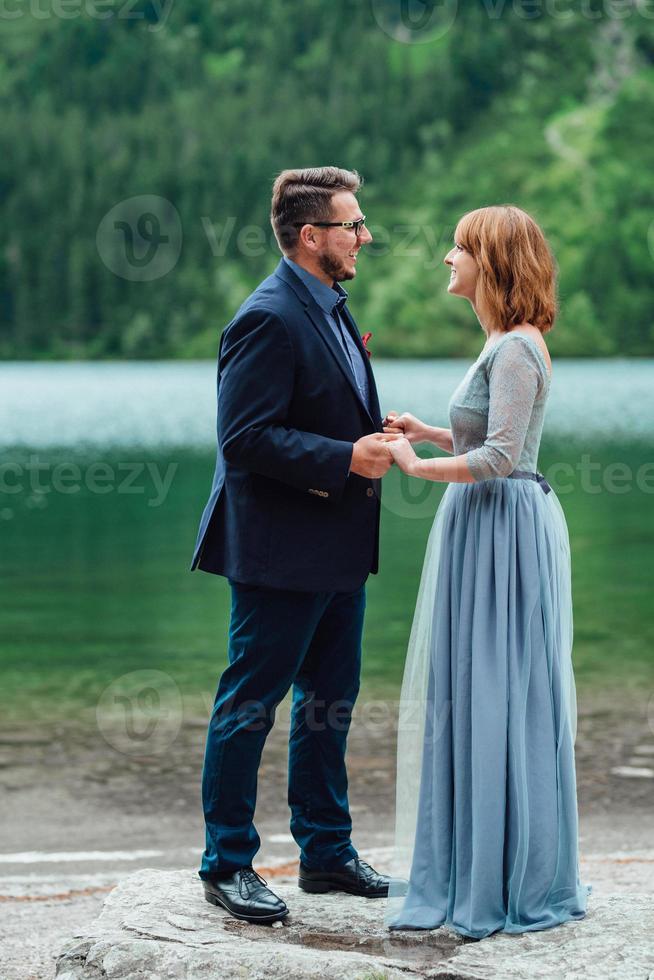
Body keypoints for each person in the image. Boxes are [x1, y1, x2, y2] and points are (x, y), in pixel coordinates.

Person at [191, 166, 395, 924]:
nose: (365, 237)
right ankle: (225, 865)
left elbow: (316, 410)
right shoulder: (267, 317)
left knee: (329, 703)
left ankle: (326, 853)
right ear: (312, 236)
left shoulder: (330, 305)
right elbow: (244, 439)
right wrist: (345, 457)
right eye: (353, 225)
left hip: (338, 544)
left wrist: (373, 434)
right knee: (250, 704)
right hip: (279, 548)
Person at [383, 205, 591, 939]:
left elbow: (503, 457)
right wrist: (430, 431)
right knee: (483, 688)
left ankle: (503, 876)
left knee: (499, 690)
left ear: (491, 262)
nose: (447, 258)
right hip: (492, 526)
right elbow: (494, 433)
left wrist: (414, 465)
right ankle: (489, 859)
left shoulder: (513, 349)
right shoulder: (507, 344)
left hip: (501, 526)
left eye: (460, 248)